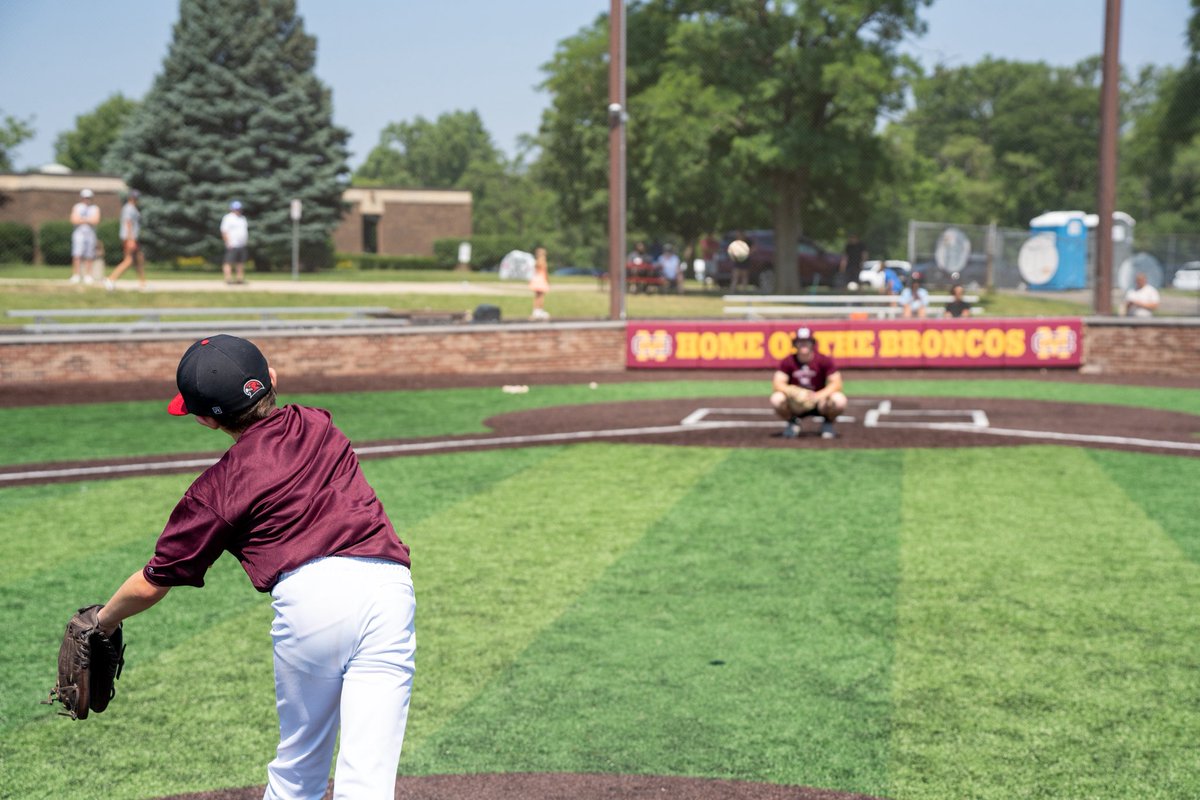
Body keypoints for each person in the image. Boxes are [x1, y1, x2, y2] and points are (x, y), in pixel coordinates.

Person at [92, 334, 416, 800]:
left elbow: (155, 579)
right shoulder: (317, 422)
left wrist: (102, 623)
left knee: (299, 768)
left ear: (204, 420)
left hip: (315, 603)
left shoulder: (216, 490)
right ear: (272, 381)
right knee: (369, 778)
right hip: (389, 590)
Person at [769, 326, 848, 440]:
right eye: (800, 342)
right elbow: (777, 383)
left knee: (839, 400)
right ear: (795, 344)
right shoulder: (788, 361)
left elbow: (836, 384)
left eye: (807, 341)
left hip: (820, 402)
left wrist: (818, 395)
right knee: (776, 398)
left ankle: (828, 423)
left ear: (812, 343)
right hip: (796, 403)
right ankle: (793, 422)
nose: (803, 345)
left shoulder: (824, 360)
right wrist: (794, 392)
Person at [106, 190, 146, 291]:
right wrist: (130, 239)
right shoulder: (129, 208)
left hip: (133, 238)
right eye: (134, 197)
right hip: (129, 238)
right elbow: (128, 223)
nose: (136, 199)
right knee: (129, 260)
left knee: (139, 259)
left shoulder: (133, 208)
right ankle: (111, 279)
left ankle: (142, 283)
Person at [69, 189, 101, 285]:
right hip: (79, 234)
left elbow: (96, 220)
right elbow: (74, 220)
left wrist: (82, 219)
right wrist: (88, 220)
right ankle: (76, 275)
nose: (86, 199)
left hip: (90, 234)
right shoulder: (77, 207)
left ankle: (88, 275)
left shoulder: (95, 208)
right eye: (85, 197)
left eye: (88, 198)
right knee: (77, 254)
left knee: (89, 255)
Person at [221, 200, 249, 285]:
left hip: (241, 244)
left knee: (240, 263)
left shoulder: (242, 218)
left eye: (239, 208)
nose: (237, 210)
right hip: (232, 244)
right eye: (235, 209)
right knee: (228, 262)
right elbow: (224, 231)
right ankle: (228, 279)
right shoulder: (228, 218)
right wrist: (227, 242)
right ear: (232, 209)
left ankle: (239, 279)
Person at [529, 245, 551, 320]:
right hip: (541, 279)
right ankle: (540, 311)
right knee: (541, 296)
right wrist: (548, 280)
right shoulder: (543, 261)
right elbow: (545, 272)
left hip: (536, 279)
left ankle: (535, 311)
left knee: (536, 296)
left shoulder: (536, 262)